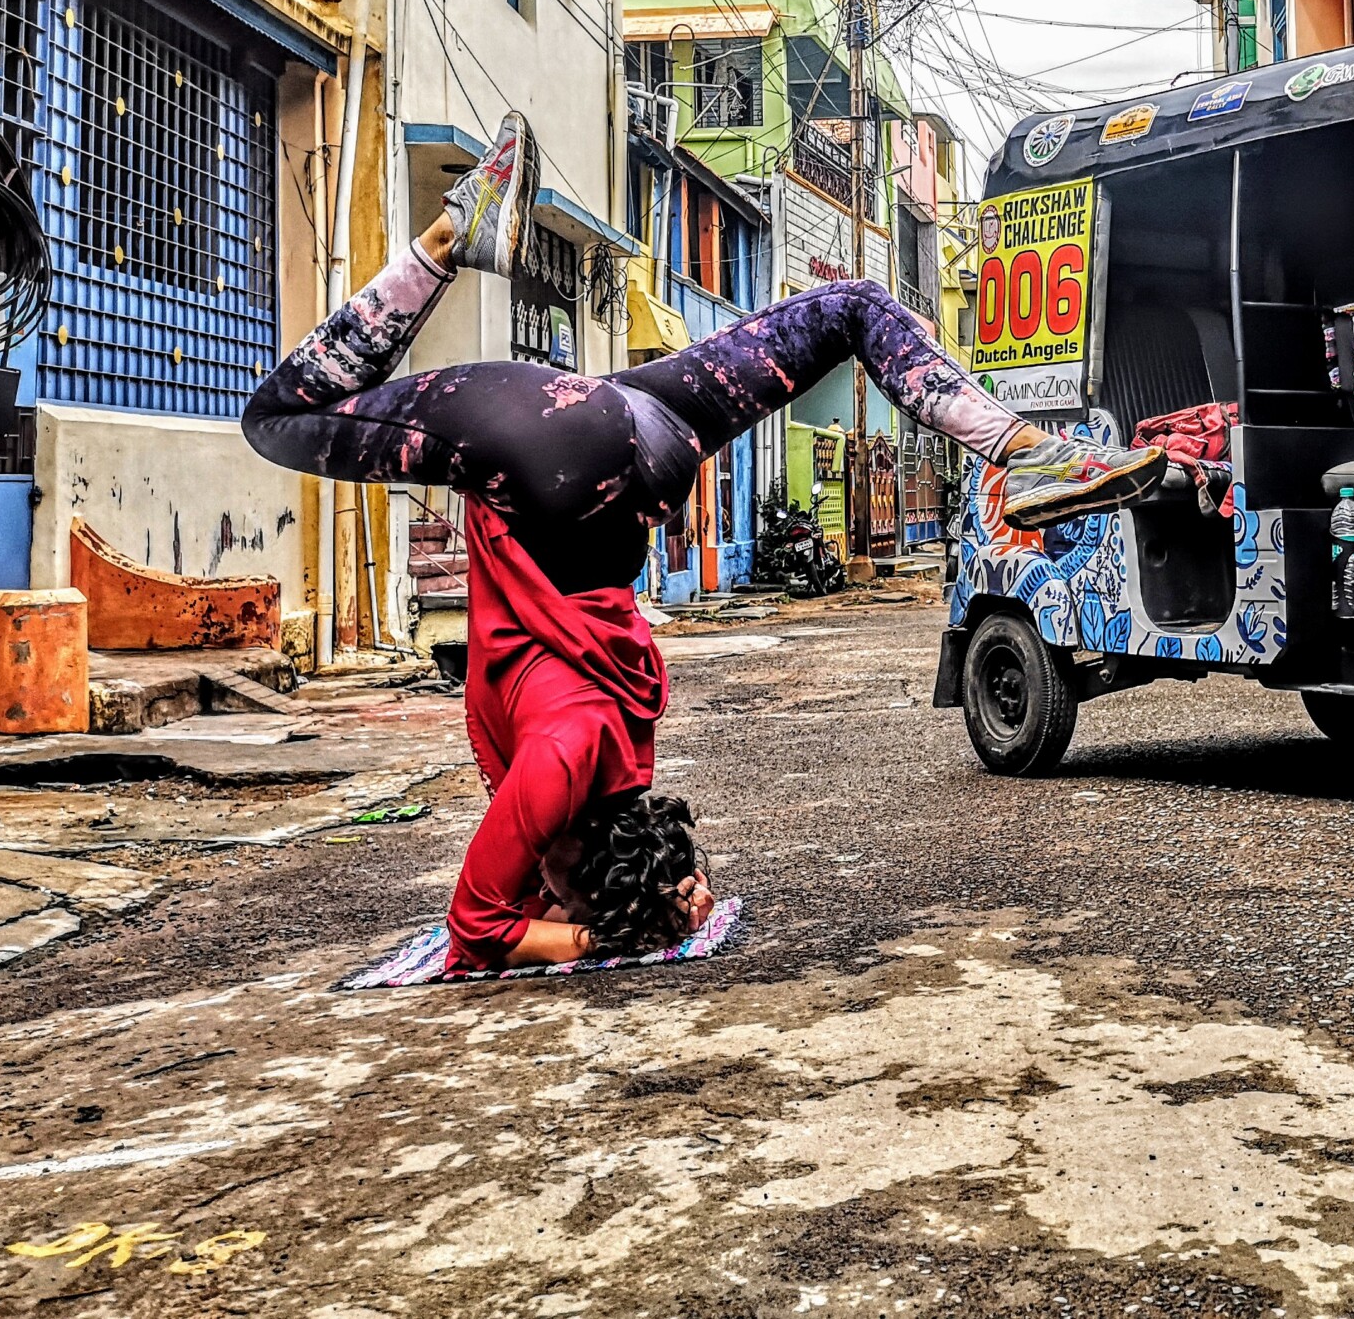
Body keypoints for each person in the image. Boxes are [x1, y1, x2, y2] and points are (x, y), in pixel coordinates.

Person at [245, 113, 1162, 973]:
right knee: (278, 416)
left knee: (849, 309)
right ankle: (449, 241)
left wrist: (639, 891)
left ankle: (1020, 447)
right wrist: (606, 929)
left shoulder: (621, 751)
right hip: (559, 461)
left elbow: (520, 887)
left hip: (641, 445)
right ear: (580, 861)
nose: (543, 894)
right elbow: (477, 930)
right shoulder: (564, 764)